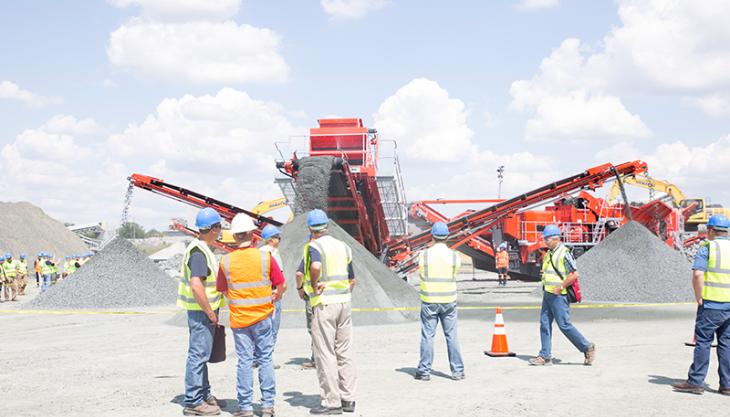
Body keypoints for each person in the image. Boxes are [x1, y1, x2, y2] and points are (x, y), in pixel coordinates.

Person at [217, 215, 285, 417]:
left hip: (240, 320)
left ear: (235, 236)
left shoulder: (226, 261)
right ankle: (267, 406)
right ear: (252, 234)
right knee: (265, 359)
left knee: (245, 361)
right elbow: (281, 284)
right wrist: (274, 296)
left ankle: (245, 407)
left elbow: (223, 289)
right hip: (263, 317)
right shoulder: (265, 257)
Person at [301, 209, 357, 415]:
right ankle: (348, 399)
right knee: (345, 352)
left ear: (310, 228)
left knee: (325, 352)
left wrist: (315, 284)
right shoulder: (343, 247)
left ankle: (331, 402)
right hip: (344, 303)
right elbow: (353, 279)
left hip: (325, 304)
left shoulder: (313, 246)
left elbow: (315, 266)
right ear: (327, 226)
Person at [673, 215, 730, 395]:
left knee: (704, 342)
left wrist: (699, 297)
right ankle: (727, 385)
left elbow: (698, 274)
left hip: (712, 303)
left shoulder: (708, 247)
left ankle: (696, 382)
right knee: (726, 343)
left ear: (711, 230)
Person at [179, 208, 226, 416]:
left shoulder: (202, 249)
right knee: (198, 355)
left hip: (202, 311)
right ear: (213, 229)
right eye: (219, 227)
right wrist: (209, 312)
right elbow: (197, 285)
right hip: (201, 312)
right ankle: (193, 401)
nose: (221, 231)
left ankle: (204, 394)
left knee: (202, 354)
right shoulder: (199, 252)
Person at [529, 225, 596, 366]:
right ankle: (545, 356)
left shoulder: (564, 253)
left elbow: (574, 274)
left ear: (556, 238)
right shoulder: (549, 254)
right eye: (544, 239)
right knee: (545, 324)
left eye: (547, 239)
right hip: (548, 293)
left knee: (564, 325)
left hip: (559, 295)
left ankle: (587, 347)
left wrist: (561, 287)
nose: (545, 241)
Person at [415, 222, 465, 381]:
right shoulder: (454, 256)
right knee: (452, 336)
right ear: (447, 236)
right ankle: (457, 371)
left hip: (430, 300)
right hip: (449, 300)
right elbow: (455, 272)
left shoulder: (424, 255)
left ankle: (424, 371)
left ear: (432, 236)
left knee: (428, 336)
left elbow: (421, 271)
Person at [259, 225, 288, 362]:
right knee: (272, 327)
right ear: (271, 240)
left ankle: (256, 357)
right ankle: (266, 358)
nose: (279, 240)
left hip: (259, 295)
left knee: (260, 327)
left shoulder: (257, 253)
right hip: (273, 294)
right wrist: (281, 291)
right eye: (278, 237)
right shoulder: (274, 253)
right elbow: (280, 277)